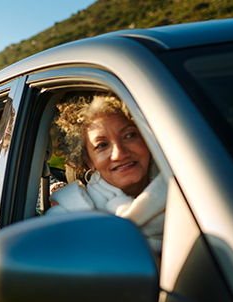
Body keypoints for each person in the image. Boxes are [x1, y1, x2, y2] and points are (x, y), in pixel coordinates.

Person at [48, 93, 166, 252]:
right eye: (102, 145)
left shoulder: (193, 186)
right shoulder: (68, 219)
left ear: (147, 140)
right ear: (89, 160)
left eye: (129, 135)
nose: (119, 153)